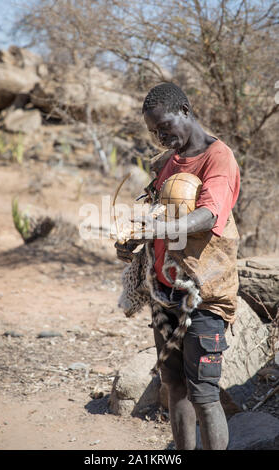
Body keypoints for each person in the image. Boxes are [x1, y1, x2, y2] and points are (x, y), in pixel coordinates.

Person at [115, 83, 240, 450]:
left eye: (164, 126)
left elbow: (209, 213)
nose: (160, 136)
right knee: (175, 387)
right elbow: (157, 212)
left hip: (202, 295)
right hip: (163, 292)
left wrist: (163, 228)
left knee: (204, 395)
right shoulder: (168, 161)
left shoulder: (218, 158)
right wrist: (136, 241)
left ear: (185, 110)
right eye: (154, 132)